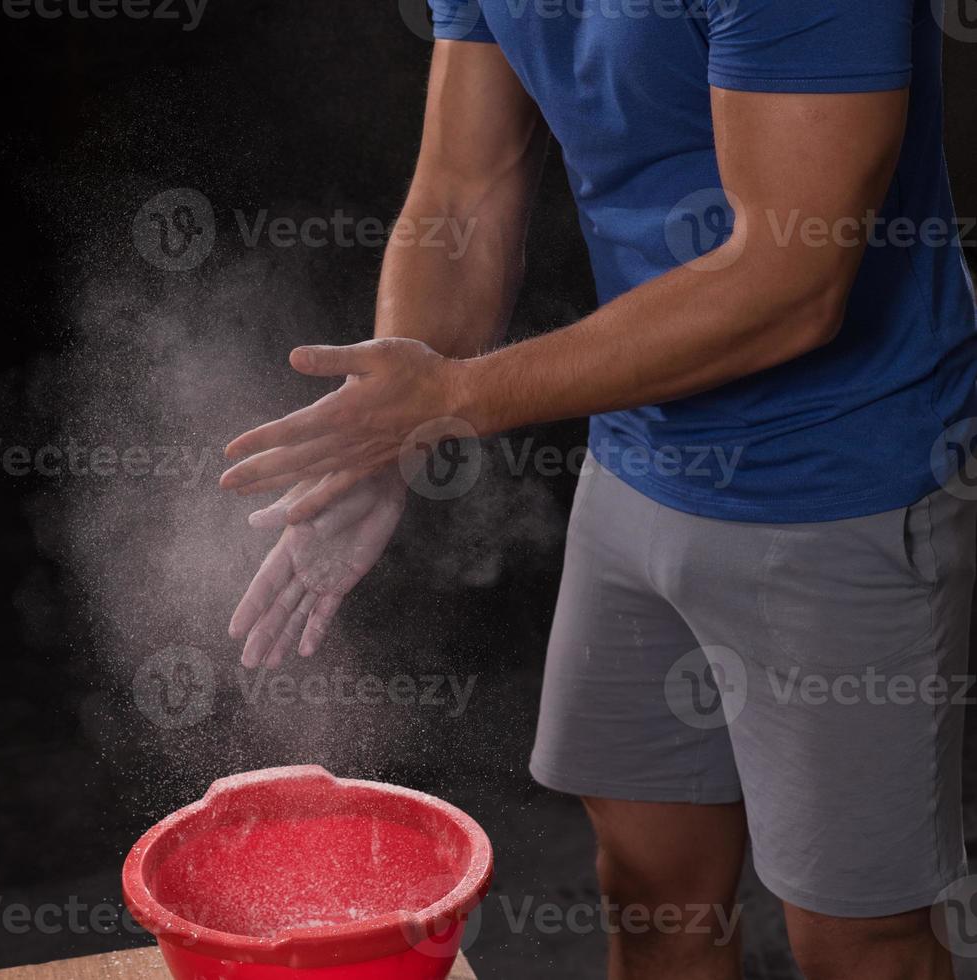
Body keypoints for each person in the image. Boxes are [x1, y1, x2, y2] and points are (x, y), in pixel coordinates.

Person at [220, 1, 977, 976]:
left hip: (839, 478)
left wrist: (450, 398)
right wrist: (383, 438)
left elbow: (791, 278)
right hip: (636, 453)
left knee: (851, 937)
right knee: (651, 887)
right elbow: (461, 190)